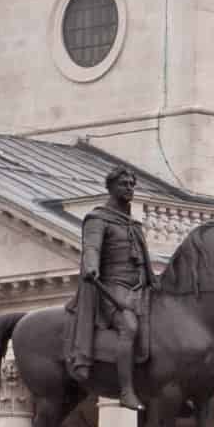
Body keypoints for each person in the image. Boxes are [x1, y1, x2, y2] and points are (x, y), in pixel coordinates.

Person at [66, 167, 151, 410]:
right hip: (112, 289)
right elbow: (91, 247)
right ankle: (125, 390)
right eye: (124, 184)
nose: (129, 188)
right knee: (129, 327)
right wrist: (91, 266)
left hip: (139, 288)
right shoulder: (98, 218)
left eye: (132, 185)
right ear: (111, 187)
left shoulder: (133, 224)